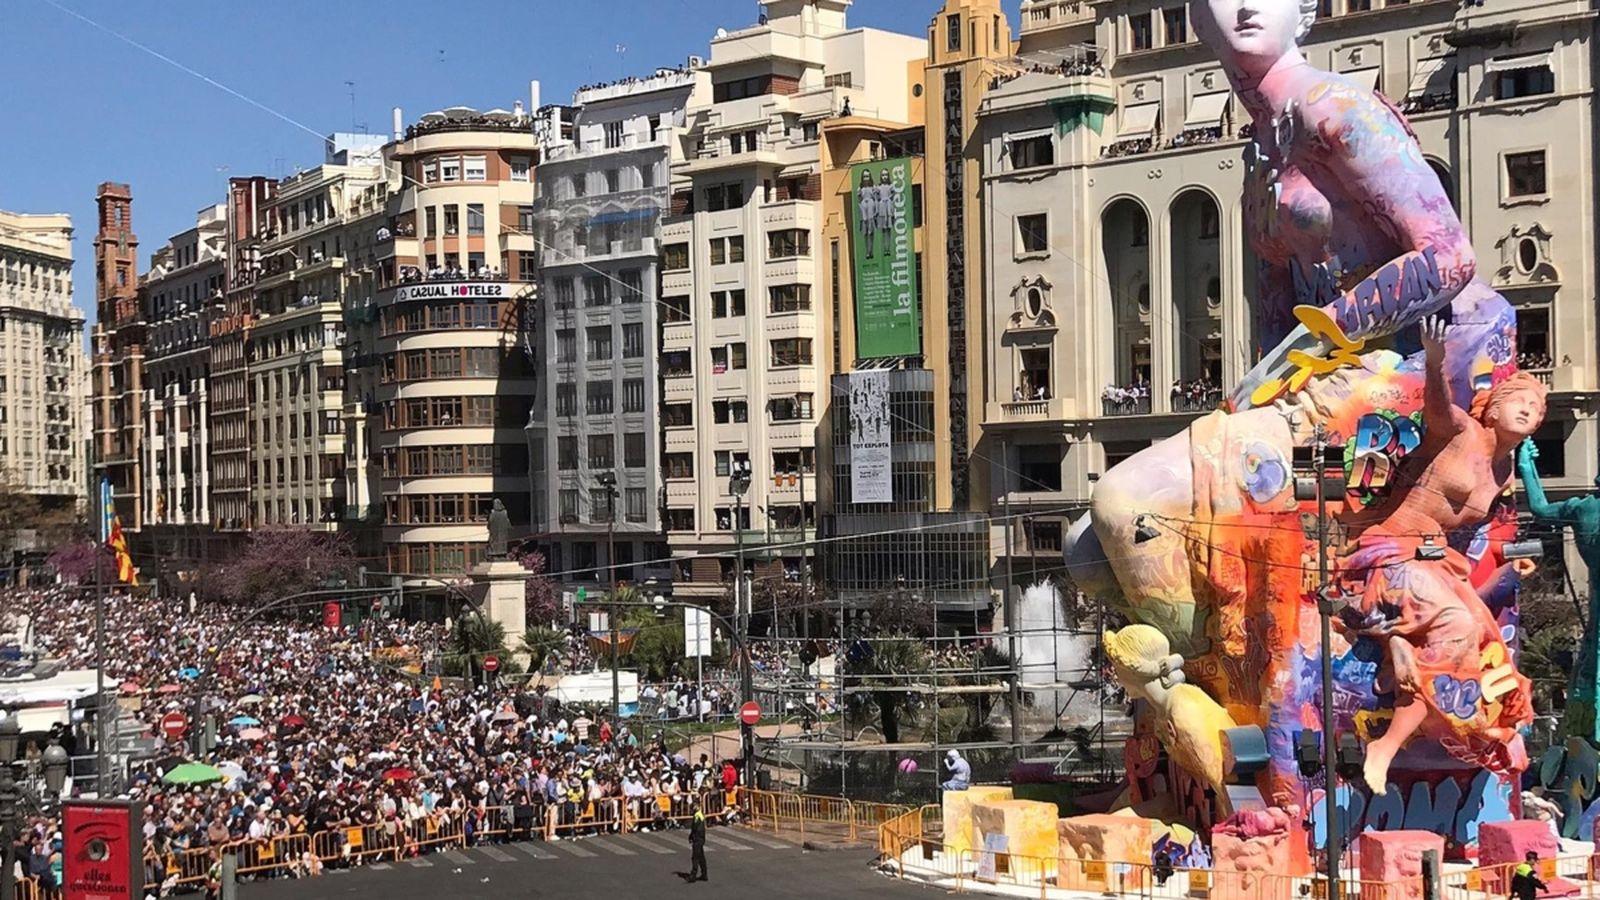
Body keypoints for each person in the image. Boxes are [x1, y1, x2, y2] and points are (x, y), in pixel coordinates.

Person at [687, 797, 708, 882]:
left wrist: (692, 836)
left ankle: (693, 875)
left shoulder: (697, 816)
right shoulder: (700, 814)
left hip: (698, 838)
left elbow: (695, 828)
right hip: (701, 838)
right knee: (701, 856)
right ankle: (704, 874)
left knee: (695, 857)